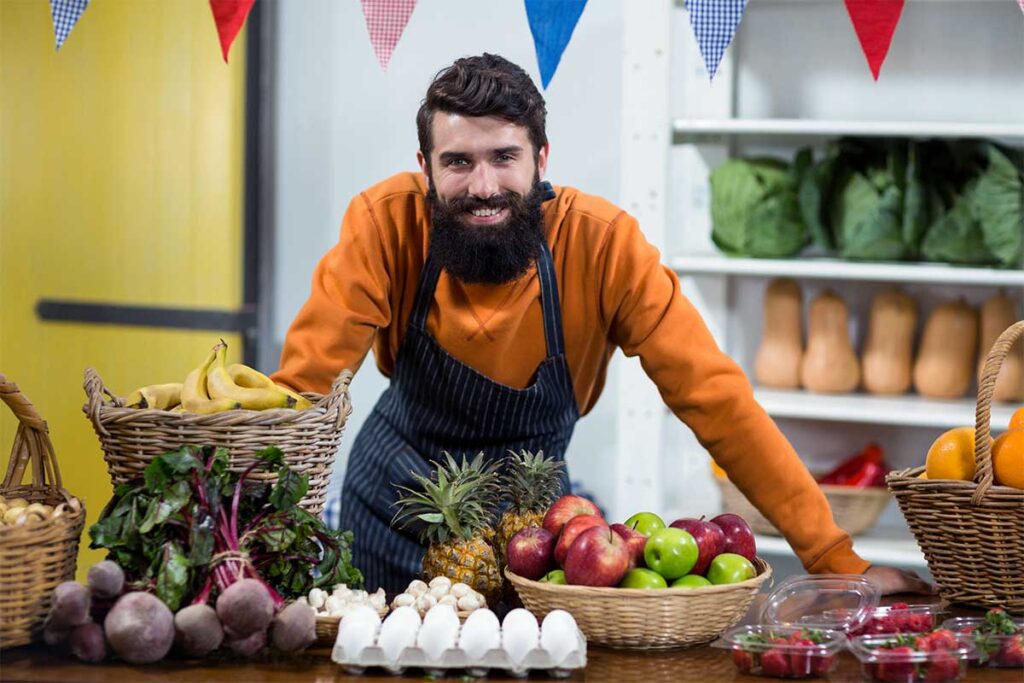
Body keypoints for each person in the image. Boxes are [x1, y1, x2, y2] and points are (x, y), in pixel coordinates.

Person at [272, 53, 934, 597]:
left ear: (541, 159)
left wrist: (833, 557)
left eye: (504, 156)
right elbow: (300, 393)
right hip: (392, 510)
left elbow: (716, 400)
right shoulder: (385, 222)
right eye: (458, 162)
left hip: (534, 537)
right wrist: (252, 541)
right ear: (425, 167)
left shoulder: (603, 245)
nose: (483, 186)